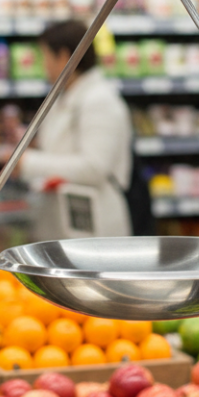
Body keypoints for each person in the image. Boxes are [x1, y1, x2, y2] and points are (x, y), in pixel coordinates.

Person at [15, 20, 133, 237]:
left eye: (45, 57)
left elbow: (94, 167)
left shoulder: (99, 100)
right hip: (64, 221)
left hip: (97, 224)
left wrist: (27, 162)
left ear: (63, 56)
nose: (44, 66)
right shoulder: (66, 96)